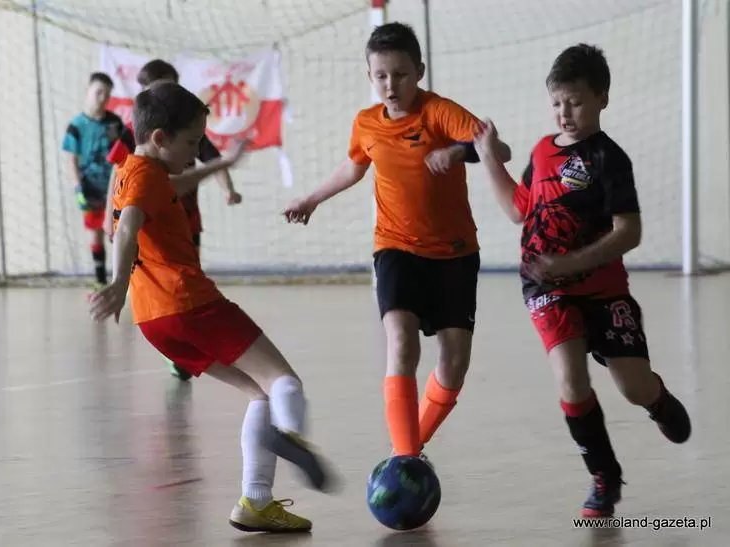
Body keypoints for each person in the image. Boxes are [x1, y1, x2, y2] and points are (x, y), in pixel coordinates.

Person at [89, 81, 334, 532]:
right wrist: (118, 282)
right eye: (190, 143)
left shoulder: (134, 171)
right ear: (159, 138)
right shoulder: (144, 178)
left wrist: (222, 164)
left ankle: (255, 503)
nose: (195, 152)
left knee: (259, 392)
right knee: (284, 382)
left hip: (155, 321)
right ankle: (288, 435)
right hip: (189, 303)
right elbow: (127, 229)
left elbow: (174, 185)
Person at [472, 43, 691, 518]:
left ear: (602, 98)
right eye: (556, 102)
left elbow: (629, 232)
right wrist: (489, 158)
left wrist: (573, 262)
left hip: (604, 290)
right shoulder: (541, 152)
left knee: (631, 387)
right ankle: (604, 476)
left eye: (574, 102)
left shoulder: (610, 160)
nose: (564, 113)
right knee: (570, 380)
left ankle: (655, 399)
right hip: (546, 288)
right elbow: (518, 210)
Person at [284, 22, 511, 462]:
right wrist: (311, 199)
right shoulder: (366, 123)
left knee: (454, 363)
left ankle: (409, 445)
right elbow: (353, 167)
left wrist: (457, 151)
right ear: (369, 76)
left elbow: (499, 151)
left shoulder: (440, 112)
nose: (391, 85)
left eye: (401, 74)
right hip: (396, 247)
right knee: (402, 341)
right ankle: (405, 457)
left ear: (419, 71)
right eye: (381, 76)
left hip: (454, 253)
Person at [104, 59, 242, 382]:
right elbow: (121, 188)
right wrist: (111, 219)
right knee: (163, 287)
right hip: (151, 224)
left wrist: (227, 186)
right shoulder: (136, 144)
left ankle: (184, 339)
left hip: (184, 216)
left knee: (187, 278)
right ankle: (177, 345)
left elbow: (207, 164)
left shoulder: (186, 127)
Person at [62, 72, 133, 288]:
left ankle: (126, 280)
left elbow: (125, 154)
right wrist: (78, 189)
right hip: (90, 190)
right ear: (88, 91)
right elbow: (71, 160)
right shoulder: (76, 126)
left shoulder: (114, 123)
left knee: (122, 232)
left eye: (107, 95)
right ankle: (101, 281)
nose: (102, 98)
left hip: (115, 189)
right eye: (98, 92)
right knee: (95, 234)